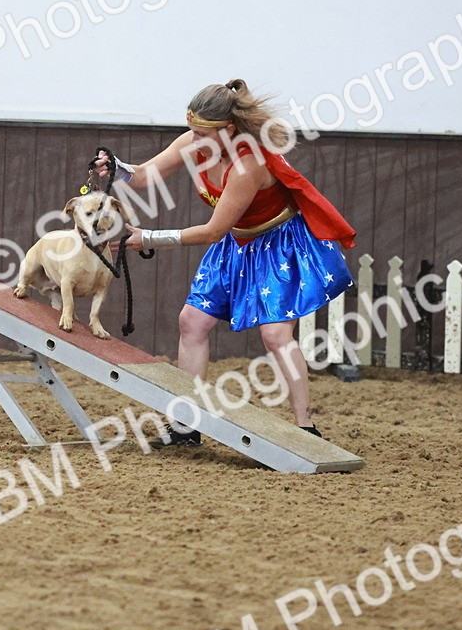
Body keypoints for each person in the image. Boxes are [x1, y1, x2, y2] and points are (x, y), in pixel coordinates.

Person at [97, 79, 357, 445]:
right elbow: (143, 175)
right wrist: (116, 167)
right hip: (238, 241)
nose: (194, 140)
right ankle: (186, 424)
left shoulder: (247, 166)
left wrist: (146, 238)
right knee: (192, 322)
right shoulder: (195, 142)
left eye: (203, 133)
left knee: (276, 334)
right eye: (192, 130)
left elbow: (211, 231)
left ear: (229, 129)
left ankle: (306, 427)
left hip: (278, 243)